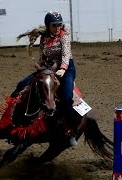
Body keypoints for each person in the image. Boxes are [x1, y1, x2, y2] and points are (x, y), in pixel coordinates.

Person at [12, 11, 77, 146]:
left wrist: (62, 69)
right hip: (48, 69)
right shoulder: (44, 38)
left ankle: (71, 131)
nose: (57, 27)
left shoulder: (64, 37)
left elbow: (66, 55)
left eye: (59, 25)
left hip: (66, 69)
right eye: (54, 25)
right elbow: (42, 56)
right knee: (21, 84)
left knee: (66, 98)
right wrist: (39, 67)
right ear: (48, 26)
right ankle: (10, 114)